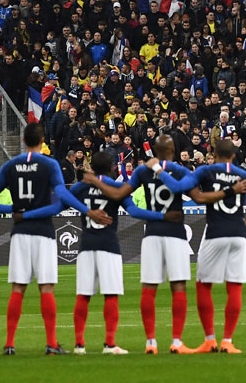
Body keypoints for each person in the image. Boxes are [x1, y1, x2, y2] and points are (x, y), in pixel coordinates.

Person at [0, 122, 111, 355]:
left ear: (23, 141)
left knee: (18, 288)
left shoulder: (11, 166)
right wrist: (88, 211)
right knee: (46, 288)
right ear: (42, 141)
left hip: (20, 232)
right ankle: (51, 343)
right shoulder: (50, 164)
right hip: (42, 232)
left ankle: (10, 343)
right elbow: (62, 194)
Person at [81, 134, 214, 354]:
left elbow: (119, 194)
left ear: (154, 150)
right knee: (178, 287)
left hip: (151, 234)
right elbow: (197, 197)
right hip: (176, 233)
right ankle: (176, 341)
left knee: (149, 288)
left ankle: (150, 342)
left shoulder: (143, 171)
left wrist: (95, 180)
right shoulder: (180, 171)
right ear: (172, 151)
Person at [157, 138, 246, 354]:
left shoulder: (206, 171)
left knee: (204, 285)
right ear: (234, 155)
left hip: (214, 232)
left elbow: (176, 186)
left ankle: (210, 340)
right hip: (239, 235)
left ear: (213, 154)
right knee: (234, 286)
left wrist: (158, 168)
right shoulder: (244, 175)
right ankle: (228, 341)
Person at [69, 152, 176, 355]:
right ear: (111, 168)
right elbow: (134, 211)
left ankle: (79, 345)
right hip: (108, 244)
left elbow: (60, 203)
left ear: (92, 165)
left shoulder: (80, 187)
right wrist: (161, 216)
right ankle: (109, 344)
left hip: (86, 244)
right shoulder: (117, 187)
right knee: (111, 295)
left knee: (83, 296)